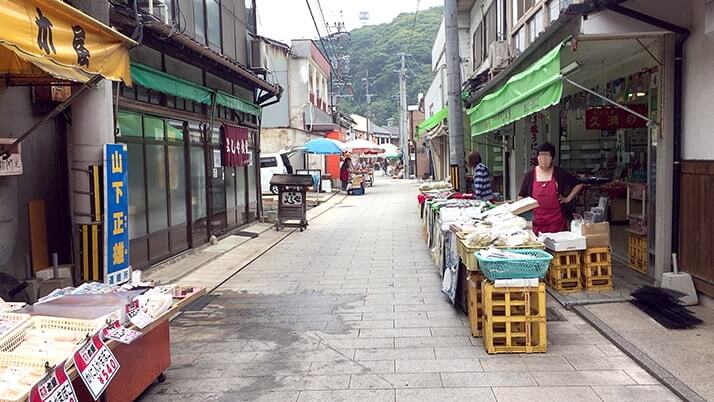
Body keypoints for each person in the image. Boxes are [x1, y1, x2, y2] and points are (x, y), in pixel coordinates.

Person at [519, 142, 584, 235]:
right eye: (541, 156)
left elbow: (578, 184)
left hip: (558, 222)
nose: (544, 159)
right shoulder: (530, 175)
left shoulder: (559, 173)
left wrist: (567, 199)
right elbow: (521, 196)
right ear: (537, 157)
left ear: (552, 158)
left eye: (547, 156)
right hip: (538, 222)